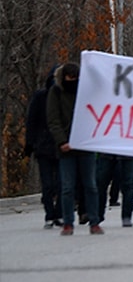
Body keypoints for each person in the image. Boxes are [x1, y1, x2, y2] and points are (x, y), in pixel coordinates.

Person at [46, 62, 103, 235]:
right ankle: (68, 223)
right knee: (68, 187)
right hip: (66, 148)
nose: (74, 81)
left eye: (77, 78)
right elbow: (53, 119)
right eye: (70, 78)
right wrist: (62, 141)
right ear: (64, 78)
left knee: (91, 186)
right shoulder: (55, 93)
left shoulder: (85, 93)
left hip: (85, 146)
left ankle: (94, 221)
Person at [25, 66, 61, 229]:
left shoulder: (65, 97)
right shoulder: (40, 97)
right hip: (43, 146)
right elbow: (31, 121)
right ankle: (49, 214)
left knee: (62, 184)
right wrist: (30, 143)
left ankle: (59, 214)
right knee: (47, 184)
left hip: (62, 146)